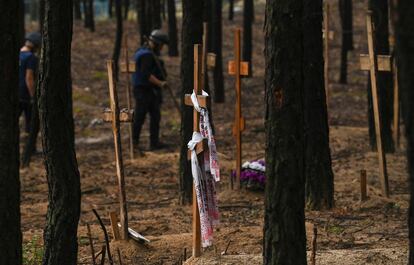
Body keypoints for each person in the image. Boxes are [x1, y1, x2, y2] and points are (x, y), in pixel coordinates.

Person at [132, 29, 169, 151]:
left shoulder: (146, 52)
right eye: (162, 45)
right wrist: (160, 83)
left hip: (150, 91)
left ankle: (154, 142)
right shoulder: (146, 55)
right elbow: (146, 74)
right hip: (143, 90)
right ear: (157, 43)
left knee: (155, 116)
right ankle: (134, 143)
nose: (162, 47)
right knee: (140, 117)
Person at [19, 32, 41, 134]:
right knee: (30, 123)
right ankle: (30, 146)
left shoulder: (18, 54)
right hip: (25, 94)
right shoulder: (31, 58)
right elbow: (29, 78)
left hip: (14, 94)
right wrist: (33, 96)